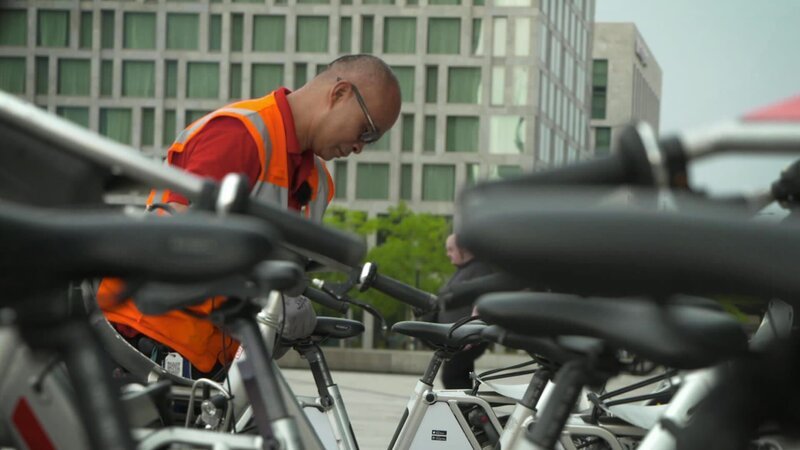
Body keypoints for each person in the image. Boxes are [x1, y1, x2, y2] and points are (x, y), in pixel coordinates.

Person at [99, 54, 402, 379]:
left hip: (215, 360)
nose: (361, 147)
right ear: (339, 93)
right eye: (367, 131)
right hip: (146, 343)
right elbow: (179, 235)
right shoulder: (241, 134)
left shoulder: (318, 183)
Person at [437, 233, 495, 389]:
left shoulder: (479, 269)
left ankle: (470, 412)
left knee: (451, 375)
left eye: (451, 249)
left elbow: (483, 298)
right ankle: (472, 412)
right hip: (461, 336)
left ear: (464, 249)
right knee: (460, 376)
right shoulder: (467, 270)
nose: (448, 254)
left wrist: (473, 330)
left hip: (468, 336)